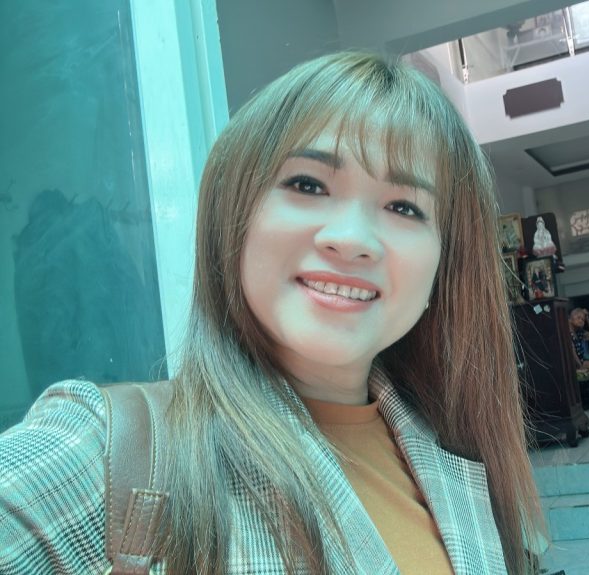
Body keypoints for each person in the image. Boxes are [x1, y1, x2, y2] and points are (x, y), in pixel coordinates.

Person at [0, 52, 544, 574]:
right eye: (308, 184)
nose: (353, 240)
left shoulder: (454, 455)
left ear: (445, 263)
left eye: (404, 207)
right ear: (233, 213)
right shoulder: (106, 453)